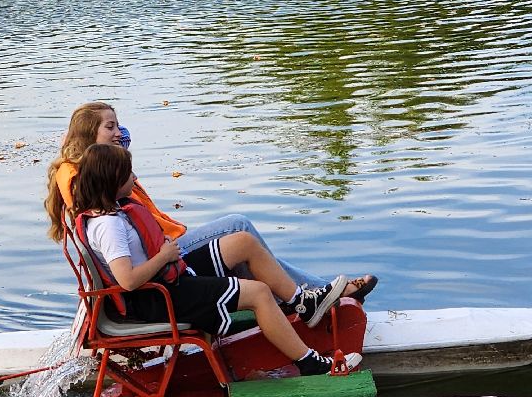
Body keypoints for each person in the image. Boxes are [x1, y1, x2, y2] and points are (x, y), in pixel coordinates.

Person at [45, 101, 377, 298]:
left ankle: (296, 296)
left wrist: (117, 157)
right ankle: (313, 294)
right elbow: (102, 214)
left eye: (118, 126)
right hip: (161, 256)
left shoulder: (91, 165)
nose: (119, 133)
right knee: (237, 225)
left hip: (163, 245)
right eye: (110, 127)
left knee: (241, 243)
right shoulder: (77, 174)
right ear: (89, 134)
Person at [70, 143, 340, 375]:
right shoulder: (108, 226)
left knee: (243, 241)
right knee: (259, 293)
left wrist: (163, 254)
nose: (135, 176)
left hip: (167, 278)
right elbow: (128, 281)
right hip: (159, 297)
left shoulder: (113, 212)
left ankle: (302, 303)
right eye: (129, 172)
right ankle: (308, 362)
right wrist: (163, 256)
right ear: (112, 179)